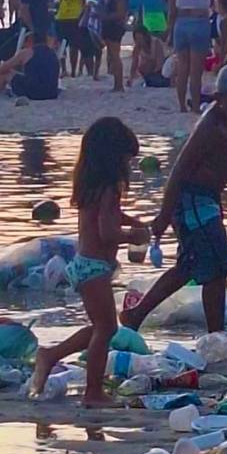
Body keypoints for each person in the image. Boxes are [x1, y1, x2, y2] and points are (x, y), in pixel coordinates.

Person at [120, 65, 227, 334]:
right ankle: (216, 333)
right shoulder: (208, 127)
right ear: (218, 99)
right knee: (218, 266)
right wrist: (165, 215)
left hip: (206, 201)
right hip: (192, 202)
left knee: (189, 265)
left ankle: (136, 314)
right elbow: (179, 170)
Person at [29, 117, 149, 408]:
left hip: (86, 265)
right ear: (113, 157)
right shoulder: (109, 188)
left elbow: (107, 218)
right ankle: (92, 391)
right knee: (106, 329)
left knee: (101, 326)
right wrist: (132, 236)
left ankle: (51, 355)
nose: (129, 167)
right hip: (94, 267)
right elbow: (107, 232)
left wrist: (133, 221)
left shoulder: (92, 186)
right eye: (126, 160)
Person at [167, 0, 227, 113]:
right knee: (196, 71)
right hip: (199, 25)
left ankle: (182, 106)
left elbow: (171, 13)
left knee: (182, 69)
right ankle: (195, 106)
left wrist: (169, 32)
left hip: (180, 25)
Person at [0, 31, 60, 99]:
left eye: (25, 41)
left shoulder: (28, 52)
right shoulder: (52, 53)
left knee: (5, 74)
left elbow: (6, 66)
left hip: (36, 92)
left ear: (30, 41)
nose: (23, 45)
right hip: (52, 92)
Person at [97, 0, 129, 92]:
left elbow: (120, 13)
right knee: (111, 55)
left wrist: (105, 16)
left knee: (115, 55)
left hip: (114, 26)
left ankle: (119, 85)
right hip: (109, 25)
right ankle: (117, 84)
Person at [54, 0, 87, 77]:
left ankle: (63, 69)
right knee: (74, 46)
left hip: (60, 18)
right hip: (75, 17)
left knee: (61, 45)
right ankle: (73, 71)